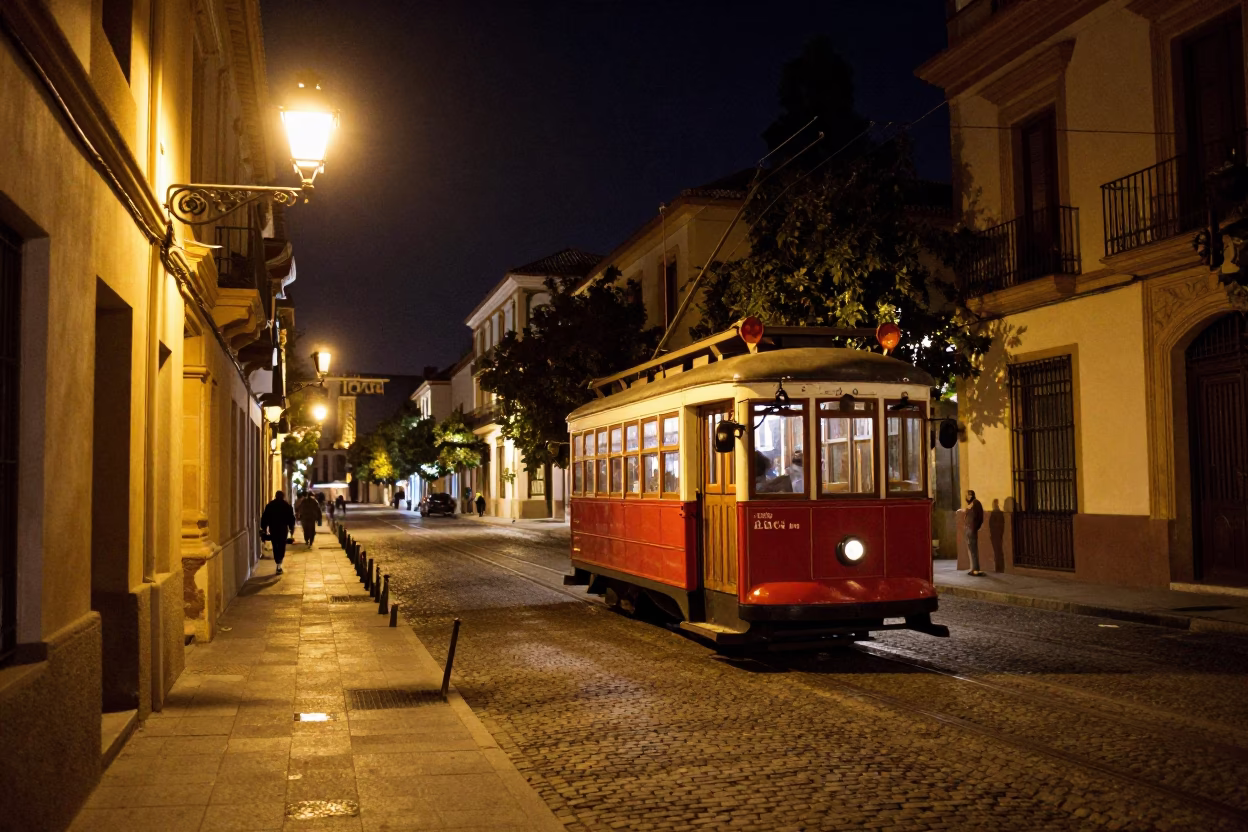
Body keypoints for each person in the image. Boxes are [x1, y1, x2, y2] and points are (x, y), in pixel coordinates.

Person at [260, 490, 296, 575]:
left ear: (275, 496)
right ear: (283, 496)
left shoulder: (270, 505)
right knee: (282, 545)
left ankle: (278, 562)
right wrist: (291, 528)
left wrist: (264, 528)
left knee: (275, 544)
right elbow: (291, 518)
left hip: (274, 528)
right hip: (283, 529)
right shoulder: (286, 505)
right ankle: (279, 562)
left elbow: (265, 517)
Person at [965, 489, 985, 576]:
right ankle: (973, 568)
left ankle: (975, 568)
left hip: (972, 529)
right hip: (968, 529)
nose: (968, 496)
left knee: (973, 549)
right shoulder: (970, 504)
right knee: (971, 549)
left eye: (970, 495)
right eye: (967, 495)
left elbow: (980, 517)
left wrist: (976, 527)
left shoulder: (976, 503)